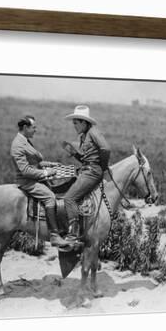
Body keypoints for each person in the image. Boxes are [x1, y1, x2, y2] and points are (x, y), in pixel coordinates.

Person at [10, 115, 68, 247]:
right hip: (27, 181)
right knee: (50, 197)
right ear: (25, 127)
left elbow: (35, 162)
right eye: (33, 127)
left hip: (35, 177)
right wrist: (46, 173)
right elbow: (25, 170)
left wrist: (51, 164)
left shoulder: (25, 140)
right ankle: (54, 235)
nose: (35, 130)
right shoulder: (18, 145)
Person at [62, 105, 111, 247]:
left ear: (84, 122)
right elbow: (87, 159)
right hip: (87, 170)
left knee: (69, 198)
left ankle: (74, 233)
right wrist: (75, 153)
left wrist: (102, 167)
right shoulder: (84, 136)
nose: (74, 126)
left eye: (76, 123)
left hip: (92, 172)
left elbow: (106, 149)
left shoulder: (93, 132)